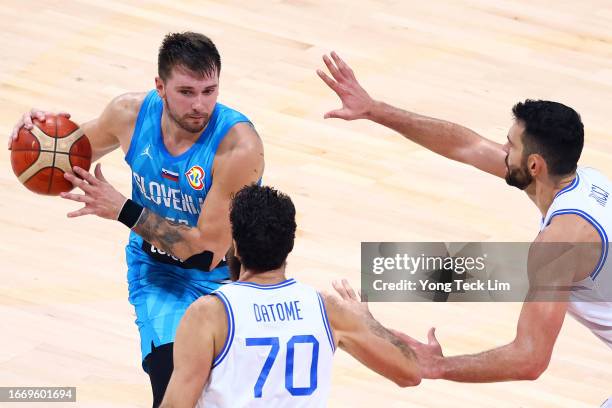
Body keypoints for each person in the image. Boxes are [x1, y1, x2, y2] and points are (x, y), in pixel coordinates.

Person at [317, 52, 611, 399]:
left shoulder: (558, 245)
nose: (502, 149)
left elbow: (530, 358)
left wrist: (436, 366)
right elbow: (466, 145)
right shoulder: (587, 181)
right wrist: (374, 109)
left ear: (534, 165)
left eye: (510, 145)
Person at [8, 32, 264, 407]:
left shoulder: (238, 146)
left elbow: (205, 253)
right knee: (172, 385)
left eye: (210, 91)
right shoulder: (128, 114)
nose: (200, 105)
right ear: (159, 86)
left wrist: (122, 209)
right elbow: (65, 162)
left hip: (225, 278)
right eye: (187, 92)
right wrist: (35, 136)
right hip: (157, 273)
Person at [159, 184, 421, 408]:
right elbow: (410, 373)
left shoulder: (210, 314)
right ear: (290, 246)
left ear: (236, 246)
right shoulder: (327, 309)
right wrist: (367, 320)